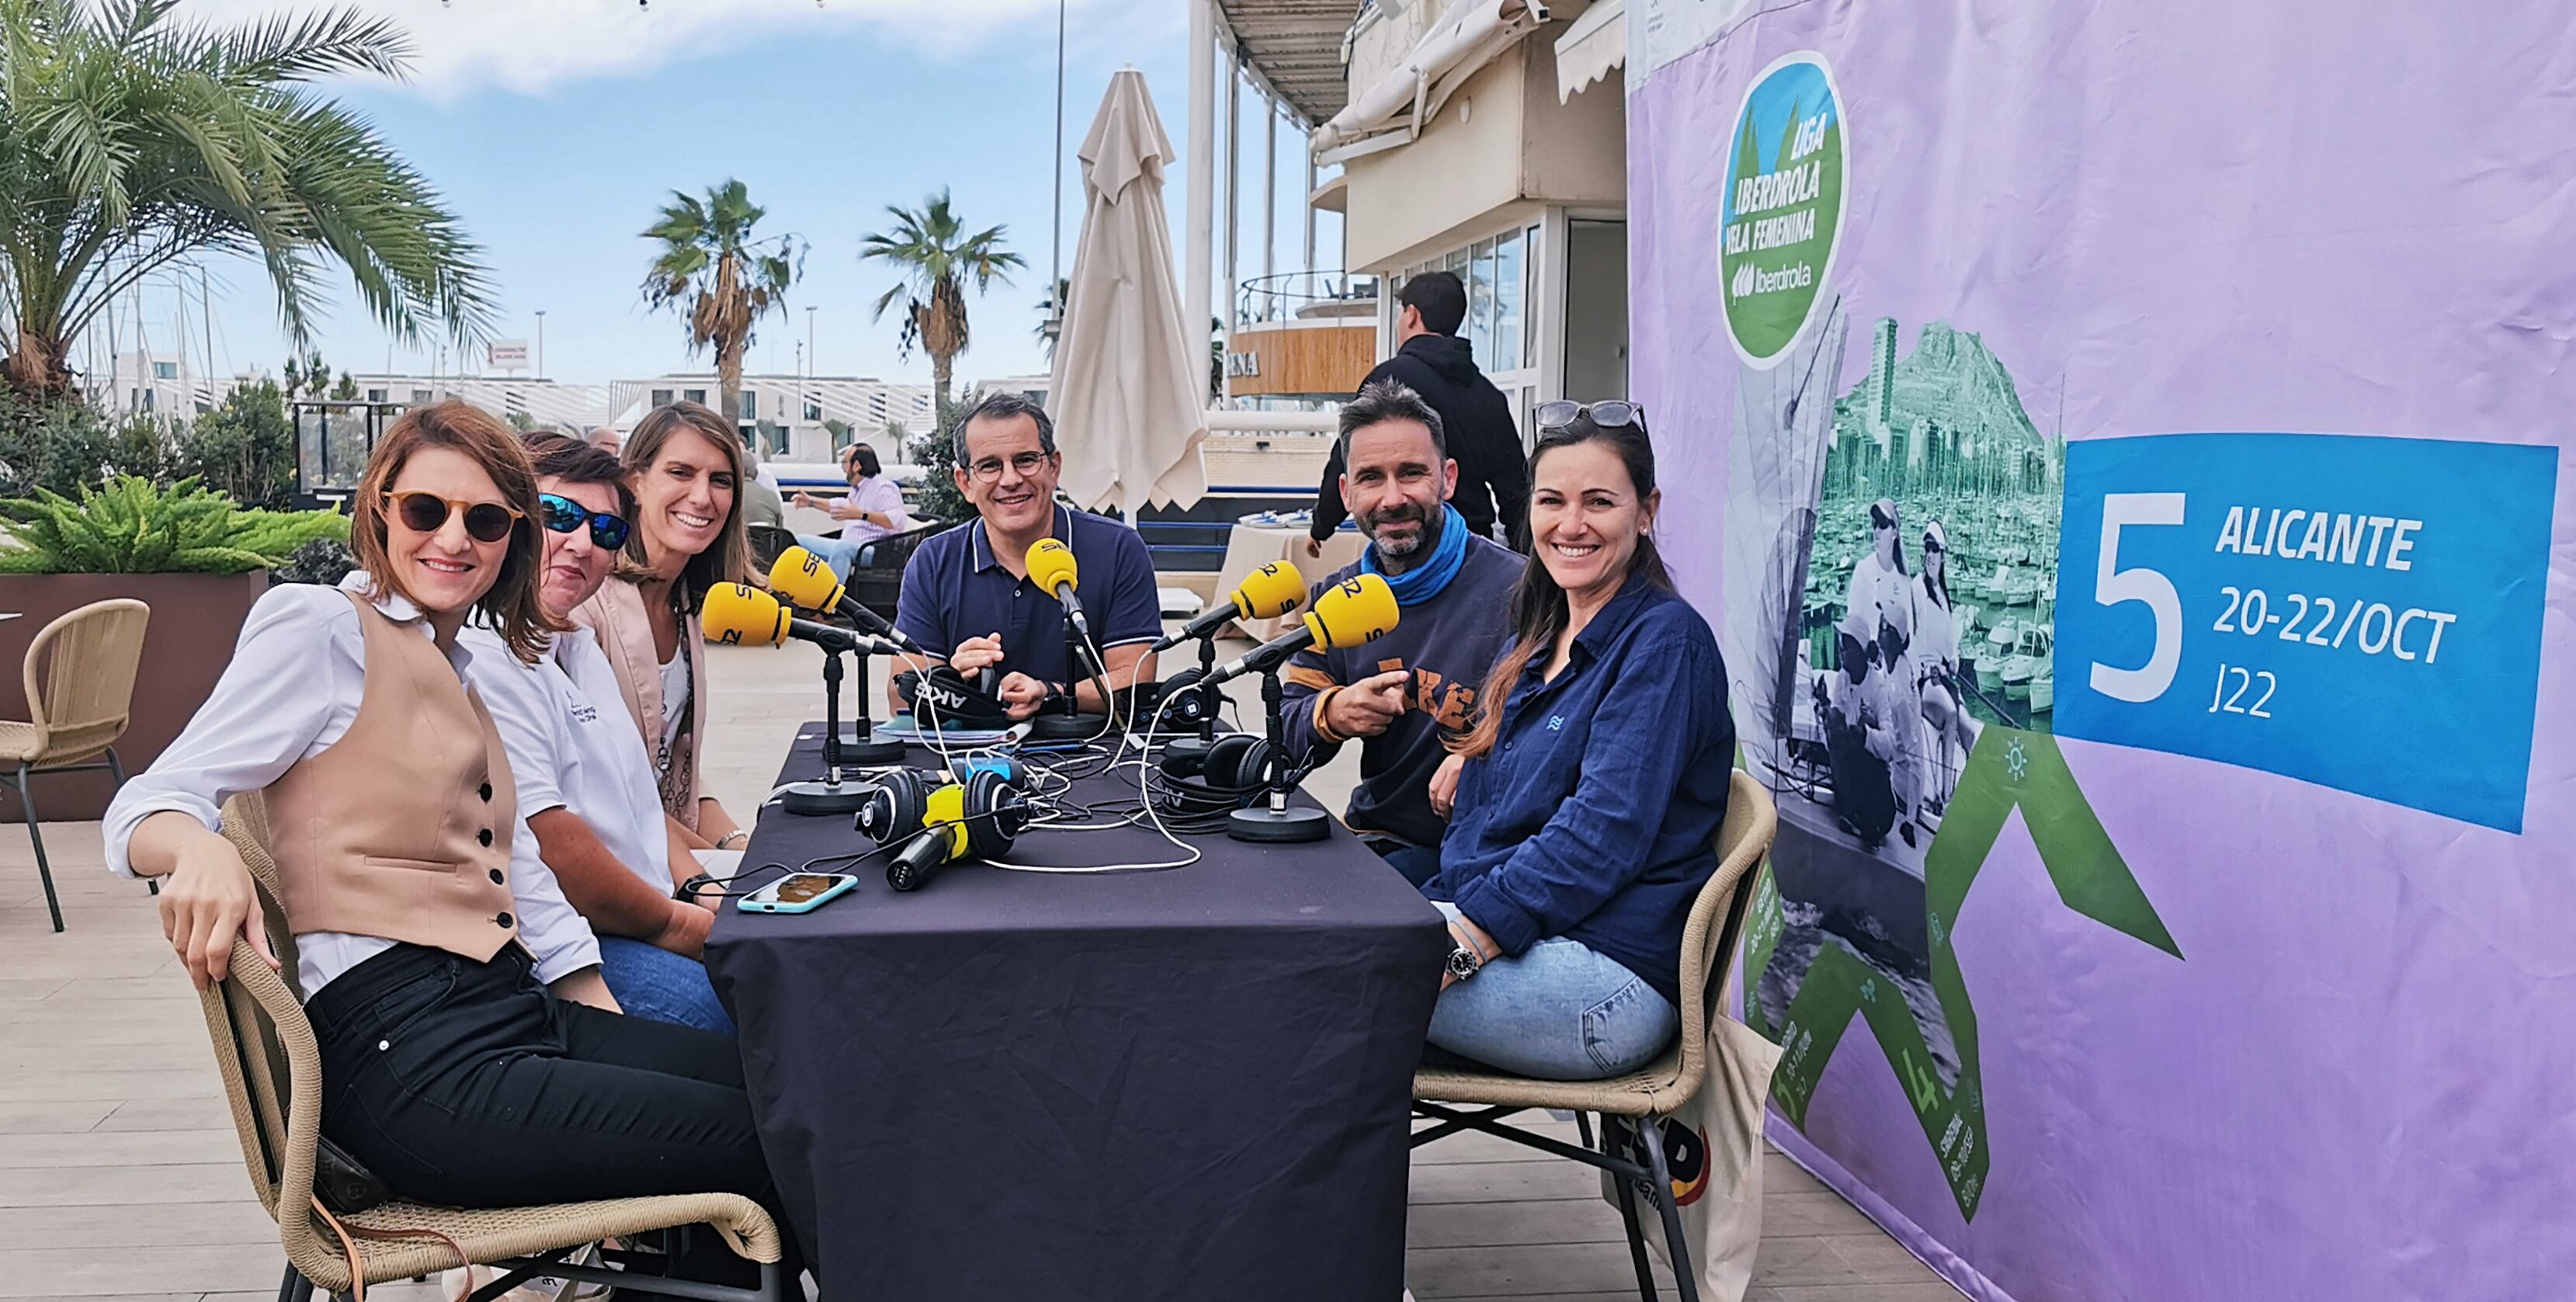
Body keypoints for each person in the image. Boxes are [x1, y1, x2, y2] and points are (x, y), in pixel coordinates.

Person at [101, 401, 800, 1292]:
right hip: (410, 1058)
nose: (453, 539)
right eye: (426, 510)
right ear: (381, 510)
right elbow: (150, 800)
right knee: (779, 1136)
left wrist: (595, 1011)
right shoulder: (320, 628)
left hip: (507, 1010)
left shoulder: (465, 663)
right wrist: (199, 851)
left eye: (485, 519)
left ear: (511, 537)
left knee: (792, 1090)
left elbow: (523, 876)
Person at [1417, 402, 1734, 1082]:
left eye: (1599, 502)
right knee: (1311, 947)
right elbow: (1491, 818)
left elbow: (1600, 834)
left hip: (1605, 979)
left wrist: (1463, 938)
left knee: (1322, 983)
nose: (1571, 525)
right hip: (1527, 938)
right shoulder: (1536, 637)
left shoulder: (1666, 642)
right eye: (1552, 500)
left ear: (1645, 512)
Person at [467, 433, 734, 1033]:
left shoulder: (571, 644)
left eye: (606, 532)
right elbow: (557, 848)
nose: (582, 543)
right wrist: (686, 923)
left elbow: (638, 805)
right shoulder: (481, 655)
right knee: (758, 1014)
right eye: (559, 516)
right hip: (568, 946)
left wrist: (707, 880)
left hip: (642, 914)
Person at [1281, 382, 1522, 887]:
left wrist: (1483, 755)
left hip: (1491, 856)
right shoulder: (1334, 603)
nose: (1393, 498)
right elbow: (1282, 734)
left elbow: (1569, 728)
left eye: (1412, 473)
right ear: (1347, 493)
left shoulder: (1523, 592)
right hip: (1379, 841)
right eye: (1372, 478)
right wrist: (1331, 714)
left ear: (1448, 479)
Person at [889, 391, 1161, 720]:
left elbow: (1136, 680)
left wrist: (1050, 693)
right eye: (989, 466)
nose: (1011, 479)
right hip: (968, 758)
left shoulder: (1118, 550)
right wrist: (951, 684)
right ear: (965, 483)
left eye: (1026, 460)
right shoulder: (933, 561)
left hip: (1094, 756)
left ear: (1054, 467)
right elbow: (900, 699)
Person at [575, 401, 753, 849]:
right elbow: (611, 794)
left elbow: (674, 774)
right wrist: (716, 880)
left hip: (669, 856)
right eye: (681, 472)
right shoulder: (584, 605)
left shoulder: (685, 604)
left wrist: (740, 849)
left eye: (721, 480)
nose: (702, 496)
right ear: (635, 481)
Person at [1306, 272, 1530, 555]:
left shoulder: (1389, 379)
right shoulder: (1488, 394)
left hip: (1413, 538)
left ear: (1411, 315)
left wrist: (1321, 526)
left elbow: (1349, 459)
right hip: (1476, 548)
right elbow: (1515, 489)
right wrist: (1526, 558)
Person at [793, 441, 908, 579]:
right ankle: (803, 593)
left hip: (875, 550)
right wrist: (811, 502)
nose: (843, 468)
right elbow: (841, 505)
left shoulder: (883, 487)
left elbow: (897, 521)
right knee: (799, 542)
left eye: (844, 463)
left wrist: (862, 515)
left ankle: (831, 598)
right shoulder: (858, 488)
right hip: (848, 545)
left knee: (842, 549)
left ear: (857, 465)